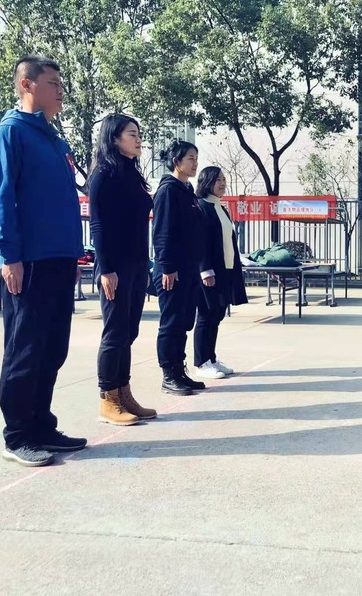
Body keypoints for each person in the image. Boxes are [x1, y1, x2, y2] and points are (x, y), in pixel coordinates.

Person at [0, 56, 87, 467]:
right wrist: (9, 255)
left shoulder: (54, 140)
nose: (61, 90)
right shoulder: (10, 134)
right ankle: (18, 435)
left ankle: (42, 426)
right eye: (53, 83)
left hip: (59, 258)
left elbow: (63, 203)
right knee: (25, 350)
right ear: (27, 85)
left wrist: (72, 254)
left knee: (52, 348)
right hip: (29, 262)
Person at [89, 114, 156, 425]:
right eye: (132, 134)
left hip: (137, 264)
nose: (138, 139)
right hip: (114, 267)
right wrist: (107, 269)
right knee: (115, 332)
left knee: (129, 331)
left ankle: (124, 392)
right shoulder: (104, 174)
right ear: (114, 138)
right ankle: (108, 398)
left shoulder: (133, 173)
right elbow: (98, 225)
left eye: (139, 133)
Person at [152, 140, 207, 395]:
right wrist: (167, 266)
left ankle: (179, 370)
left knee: (184, 321)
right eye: (190, 159)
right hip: (172, 270)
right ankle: (168, 374)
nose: (195, 163)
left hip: (189, 268)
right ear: (177, 161)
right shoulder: (168, 191)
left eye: (196, 158)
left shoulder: (187, 191)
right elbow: (162, 231)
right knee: (171, 323)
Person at [193, 167, 248, 379]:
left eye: (224, 179)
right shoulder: (201, 207)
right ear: (206, 182)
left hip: (226, 269)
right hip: (210, 271)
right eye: (217, 180)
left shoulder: (221, 208)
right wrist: (205, 270)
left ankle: (211, 358)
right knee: (206, 315)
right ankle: (201, 362)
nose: (222, 184)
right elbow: (200, 243)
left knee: (217, 314)